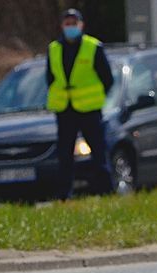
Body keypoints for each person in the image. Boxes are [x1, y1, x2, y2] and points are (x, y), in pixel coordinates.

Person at [46, 8, 115, 198]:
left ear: (81, 25)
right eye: (67, 23)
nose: (70, 27)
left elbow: (107, 79)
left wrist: (96, 97)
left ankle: (106, 191)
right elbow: (50, 78)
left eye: (74, 23)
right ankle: (64, 195)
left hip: (89, 109)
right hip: (65, 108)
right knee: (64, 154)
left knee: (98, 151)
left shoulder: (93, 47)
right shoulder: (53, 49)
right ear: (62, 26)